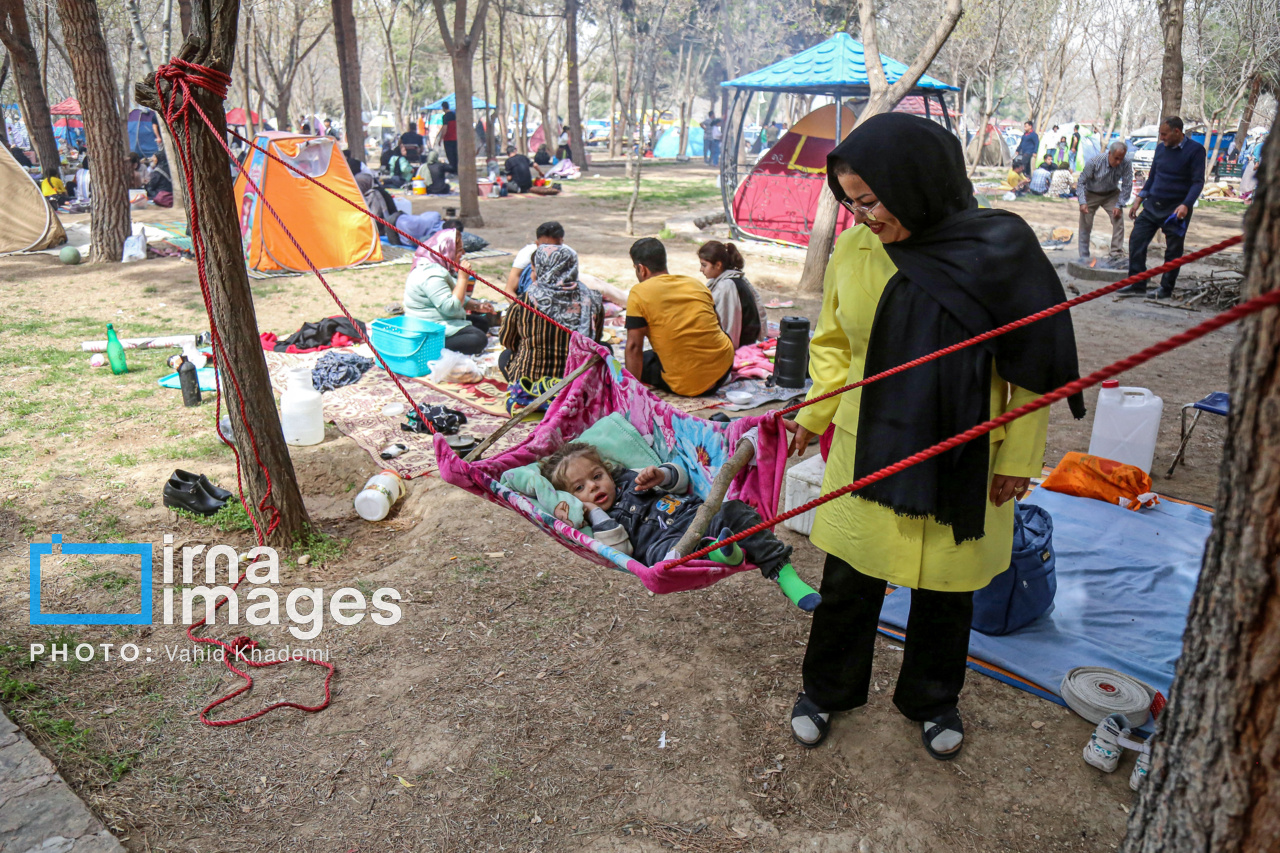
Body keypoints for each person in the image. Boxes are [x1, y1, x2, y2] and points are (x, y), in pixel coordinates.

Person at [784, 112, 1084, 758]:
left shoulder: (996, 251)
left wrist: (1022, 455)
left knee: (946, 590)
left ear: (916, 181)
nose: (861, 215)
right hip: (871, 441)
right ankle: (826, 687)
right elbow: (834, 345)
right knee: (850, 579)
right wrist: (814, 413)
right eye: (851, 202)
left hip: (966, 448)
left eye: (871, 199)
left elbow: (1030, 368)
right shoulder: (856, 249)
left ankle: (932, 696)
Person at [542, 441, 820, 610]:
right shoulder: (598, 521)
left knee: (735, 510)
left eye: (597, 476)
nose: (593, 486)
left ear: (607, 470)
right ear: (571, 498)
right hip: (660, 546)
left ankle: (782, 572)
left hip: (695, 517)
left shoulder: (629, 479)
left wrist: (660, 474)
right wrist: (592, 512)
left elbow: (682, 480)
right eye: (580, 487)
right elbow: (617, 551)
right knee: (668, 561)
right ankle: (716, 552)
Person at [625, 238, 734, 397]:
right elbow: (717, 324)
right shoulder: (695, 284)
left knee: (642, 361)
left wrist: (630, 392)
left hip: (686, 385)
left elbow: (634, 347)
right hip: (723, 368)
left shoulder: (638, 293)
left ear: (641, 269)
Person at [1117, 117, 1206, 300]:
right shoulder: (1160, 149)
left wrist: (1186, 204)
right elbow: (1152, 177)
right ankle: (1137, 283)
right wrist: (1139, 198)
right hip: (1153, 205)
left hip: (1176, 210)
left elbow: (1198, 182)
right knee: (1136, 240)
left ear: (1177, 131)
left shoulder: (1196, 151)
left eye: (1164, 134)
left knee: (1173, 250)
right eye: (1160, 134)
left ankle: (1166, 288)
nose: (1162, 138)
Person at [499, 245, 603, 383]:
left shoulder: (523, 302)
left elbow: (507, 341)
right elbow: (595, 339)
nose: (531, 276)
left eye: (533, 271)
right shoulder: (592, 300)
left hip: (531, 381)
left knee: (505, 356)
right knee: (605, 350)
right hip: (576, 382)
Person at [402, 224, 495, 355]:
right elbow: (450, 309)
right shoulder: (430, 274)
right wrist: (463, 278)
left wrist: (477, 306)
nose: (463, 254)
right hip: (427, 330)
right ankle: (428, 350)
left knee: (482, 323)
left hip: (440, 321)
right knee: (478, 339)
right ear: (446, 252)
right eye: (459, 250)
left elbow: (450, 294)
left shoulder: (439, 267)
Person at [697, 241, 767, 348]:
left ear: (718, 265)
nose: (701, 269)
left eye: (704, 265)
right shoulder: (732, 279)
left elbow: (728, 326)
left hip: (740, 346)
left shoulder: (726, 286)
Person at [1076, 141, 1133, 267]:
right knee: (1085, 223)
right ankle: (1084, 256)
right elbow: (1081, 182)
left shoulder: (1126, 162)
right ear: (1109, 153)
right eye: (1116, 158)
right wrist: (1082, 201)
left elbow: (1127, 185)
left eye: (1121, 159)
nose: (1118, 162)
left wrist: (1119, 204)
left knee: (1118, 220)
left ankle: (1116, 253)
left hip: (1111, 194)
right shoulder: (1094, 162)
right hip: (1091, 193)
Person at [507, 220, 565, 296]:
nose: (551, 250)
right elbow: (509, 290)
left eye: (555, 246)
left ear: (561, 242)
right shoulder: (526, 254)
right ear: (537, 244)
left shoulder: (568, 255)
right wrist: (520, 307)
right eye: (545, 246)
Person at [437, 106, 459, 174]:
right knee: (456, 154)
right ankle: (457, 169)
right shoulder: (455, 115)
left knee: (450, 155)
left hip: (448, 138)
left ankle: (453, 169)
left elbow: (445, 128)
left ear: (443, 108)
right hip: (456, 138)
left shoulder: (445, 116)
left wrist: (440, 139)